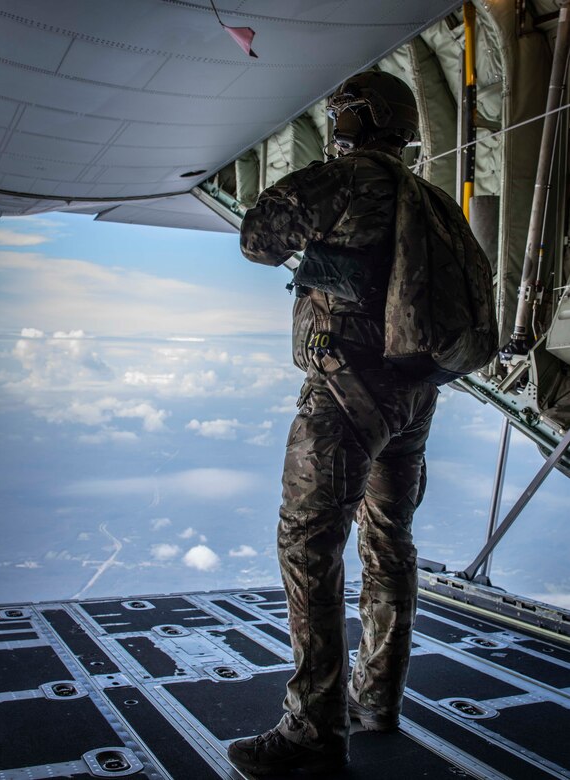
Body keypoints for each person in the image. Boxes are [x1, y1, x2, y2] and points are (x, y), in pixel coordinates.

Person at [228, 70, 440, 776]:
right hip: (413, 395)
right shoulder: (432, 200)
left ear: (357, 121)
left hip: (344, 390)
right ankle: (376, 700)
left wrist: (322, 189)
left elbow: (257, 237)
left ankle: (312, 731)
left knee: (307, 546)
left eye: (339, 114)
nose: (332, 122)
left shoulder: (347, 180)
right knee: (389, 543)